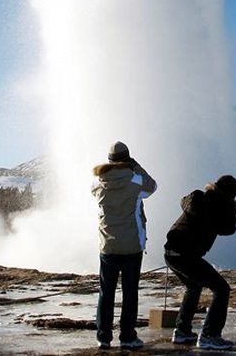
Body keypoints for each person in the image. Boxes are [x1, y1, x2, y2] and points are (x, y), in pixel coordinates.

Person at [91, 141, 157, 350]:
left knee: (106, 292)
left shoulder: (97, 184)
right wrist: (135, 166)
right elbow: (152, 186)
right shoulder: (136, 180)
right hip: (131, 245)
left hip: (107, 246)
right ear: (128, 158)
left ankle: (103, 336)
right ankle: (127, 336)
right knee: (130, 292)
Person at [164, 175, 236, 350]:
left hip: (170, 252)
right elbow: (229, 229)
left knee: (194, 286)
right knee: (221, 289)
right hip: (186, 255)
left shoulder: (198, 197)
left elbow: (184, 201)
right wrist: (232, 209)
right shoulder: (219, 208)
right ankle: (209, 335)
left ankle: (182, 331)